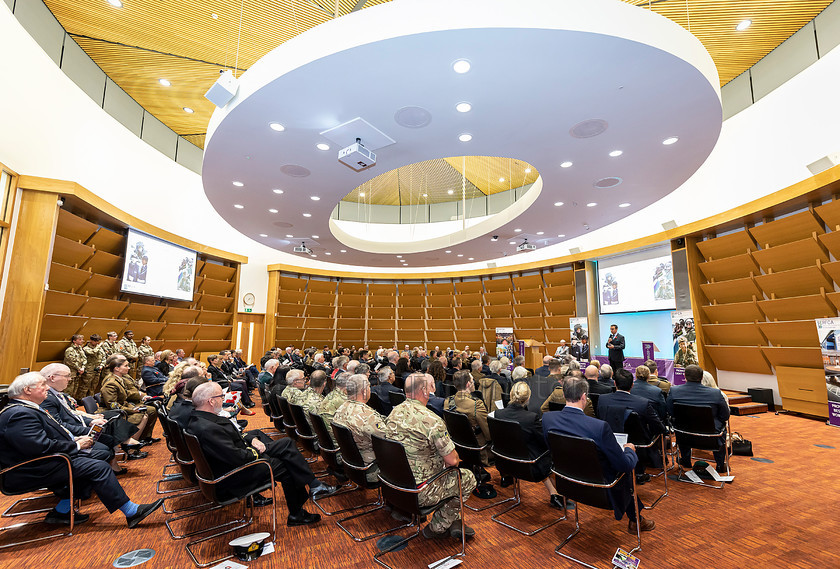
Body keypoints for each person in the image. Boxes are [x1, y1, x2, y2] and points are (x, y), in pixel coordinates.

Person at [0, 372, 164, 527]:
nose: (47, 388)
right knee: (96, 467)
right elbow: (39, 446)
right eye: (42, 384)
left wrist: (73, 440)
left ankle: (62, 511)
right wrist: (76, 445)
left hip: (41, 462)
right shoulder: (19, 414)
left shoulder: (24, 409)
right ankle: (131, 512)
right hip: (27, 470)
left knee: (93, 459)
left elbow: (42, 440)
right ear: (28, 390)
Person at [187, 382, 336, 526]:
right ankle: (297, 512)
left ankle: (313, 486)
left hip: (230, 465)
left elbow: (233, 439)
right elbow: (238, 457)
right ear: (211, 401)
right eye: (221, 396)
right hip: (233, 475)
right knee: (286, 464)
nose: (224, 399)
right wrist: (257, 449)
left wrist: (252, 440)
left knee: (286, 444)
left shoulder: (199, 419)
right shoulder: (208, 428)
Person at [541, 376, 655, 533]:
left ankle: (637, 519)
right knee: (625, 474)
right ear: (583, 397)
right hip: (602, 489)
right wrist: (630, 450)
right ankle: (636, 520)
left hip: (567, 482)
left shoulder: (548, 419)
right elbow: (625, 464)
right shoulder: (599, 427)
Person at [384, 373, 477, 540]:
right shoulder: (431, 420)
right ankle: (438, 526)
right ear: (424, 390)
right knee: (468, 478)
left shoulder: (393, 413)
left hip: (394, 484)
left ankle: (454, 521)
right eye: (431, 386)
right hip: (421, 490)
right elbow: (453, 460)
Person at [39, 363, 143, 471]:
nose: (70, 379)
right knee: (106, 434)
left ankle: (121, 451)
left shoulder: (57, 394)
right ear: (52, 378)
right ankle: (122, 449)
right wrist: (88, 428)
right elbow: (59, 425)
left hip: (79, 425)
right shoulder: (48, 398)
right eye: (66, 376)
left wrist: (90, 421)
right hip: (72, 434)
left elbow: (73, 413)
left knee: (107, 425)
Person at [495, 381, 566, 509]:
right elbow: (544, 442)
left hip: (506, 463)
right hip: (529, 467)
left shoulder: (498, 414)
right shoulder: (531, 418)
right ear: (528, 398)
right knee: (550, 452)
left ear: (511, 395)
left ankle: (555, 493)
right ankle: (558, 493)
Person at [597, 367, 665, 484]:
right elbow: (658, 426)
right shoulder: (642, 403)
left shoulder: (602, 400)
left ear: (615, 383)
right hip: (638, 445)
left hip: (609, 444)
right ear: (632, 385)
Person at [667, 364, 730, 473]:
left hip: (684, 435)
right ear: (701, 378)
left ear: (685, 377)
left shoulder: (674, 391)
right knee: (722, 429)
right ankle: (720, 464)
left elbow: (670, 412)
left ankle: (686, 460)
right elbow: (725, 416)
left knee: (680, 425)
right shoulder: (715, 393)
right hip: (711, 436)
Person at [333, 374, 384, 483]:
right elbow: (388, 441)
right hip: (370, 469)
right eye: (369, 386)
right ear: (364, 391)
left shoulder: (340, 409)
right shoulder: (368, 416)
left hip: (350, 465)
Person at [99, 354, 159, 445]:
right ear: (117, 368)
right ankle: (130, 445)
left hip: (121, 408)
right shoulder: (111, 383)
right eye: (125, 366)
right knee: (144, 415)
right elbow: (112, 405)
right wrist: (131, 410)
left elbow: (124, 396)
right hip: (111, 413)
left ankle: (136, 442)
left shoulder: (118, 379)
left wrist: (132, 407)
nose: (129, 368)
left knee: (145, 412)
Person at [62, 334, 87, 400]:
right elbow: (70, 361)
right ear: (74, 341)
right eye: (80, 339)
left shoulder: (80, 349)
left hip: (78, 373)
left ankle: (72, 402)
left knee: (75, 390)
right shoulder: (70, 350)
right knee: (68, 390)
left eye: (82, 339)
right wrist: (79, 368)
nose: (82, 341)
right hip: (71, 373)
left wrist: (83, 367)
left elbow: (84, 359)